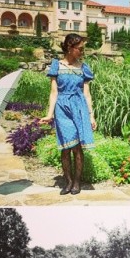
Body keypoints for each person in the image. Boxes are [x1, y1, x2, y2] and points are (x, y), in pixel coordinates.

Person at [40, 33, 96, 195]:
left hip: (79, 108)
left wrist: (91, 115)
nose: (82, 52)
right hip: (62, 108)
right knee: (65, 147)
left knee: (77, 147)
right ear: (70, 48)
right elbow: (53, 93)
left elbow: (87, 94)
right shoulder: (57, 65)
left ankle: (77, 182)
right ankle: (68, 181)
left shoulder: (83, 68)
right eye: (80, 49)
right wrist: (49, 114)